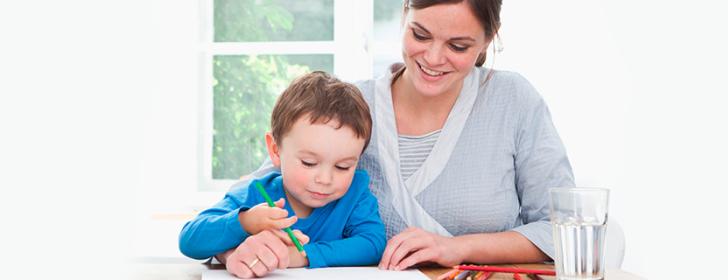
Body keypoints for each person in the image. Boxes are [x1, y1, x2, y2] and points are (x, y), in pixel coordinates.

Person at [257, 0, 575, 271]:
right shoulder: (348, 109)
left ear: (488, 40)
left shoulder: (513, 100)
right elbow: (253, 197)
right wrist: (246, 244)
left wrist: (459, 247)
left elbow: (565, 230)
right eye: (420, 35)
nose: (433, 58)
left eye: (458, 46)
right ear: (404, 16)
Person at [179, 71, 386, 278]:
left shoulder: (356, 194)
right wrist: (245, 222)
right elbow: (190, 240)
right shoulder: (255, 193)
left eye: (343, 166)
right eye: (309, 163)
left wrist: (303, 255)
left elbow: (373, 244)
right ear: (275, 150)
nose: (325, 179)